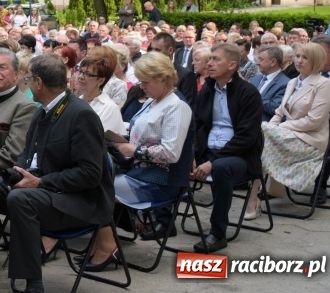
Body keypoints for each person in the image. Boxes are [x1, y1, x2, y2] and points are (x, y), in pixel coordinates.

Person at [0, 54, 113, 292]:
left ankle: (32, 283)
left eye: (28, 78)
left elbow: (90, 174)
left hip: (81, 201)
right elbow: (25, 155)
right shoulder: (42, 111)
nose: (25, 83)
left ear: (38, 82)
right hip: (46, 192)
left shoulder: (80, 114)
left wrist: (40, 182)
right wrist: (16, 174)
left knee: (21, 198)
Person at [90, 52, 194, 259]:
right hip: (141, 173)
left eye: (145, 82)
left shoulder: (177, 106)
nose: (141, 86)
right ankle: (105, 243)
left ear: (163, 79)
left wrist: (133, 150)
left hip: (163, 182)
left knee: (97, 189)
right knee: (93, 183)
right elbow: (144, 131)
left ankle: (107, 246)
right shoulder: (155, 101)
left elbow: (171, 153)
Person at [192, 44, 263, 253]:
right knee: (175, 158)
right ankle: (162, 221)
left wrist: (211, 162)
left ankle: (218, 233)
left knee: (221, 168)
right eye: (209, 58)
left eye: (216, 59)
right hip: (209, 150)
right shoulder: (207, 88)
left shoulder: (248, 93)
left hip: (238, 155)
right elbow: (197, 124)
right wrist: (193, 155)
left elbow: (246, 138)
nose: (209, 63)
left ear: (232, 65)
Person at [247, 43, 330, 218]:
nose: (299, 61)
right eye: (297, 56)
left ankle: (252, 198)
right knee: (260, 135)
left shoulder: (323, 84)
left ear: (315, 61)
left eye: (305, 57)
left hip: (310, 140)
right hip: (289, 135)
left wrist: (278, 127)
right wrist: (273, 125)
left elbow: (314, 121)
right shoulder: (293, 82)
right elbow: (280, 111)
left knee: (260, 136)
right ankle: (253, 197)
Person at [75, 55, 126, 136]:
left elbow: (97, 139)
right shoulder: (76, 101)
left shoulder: (109, 108)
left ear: (101, 81)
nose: (81, 76)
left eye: (87, 74)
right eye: (80, 71)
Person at [249, 46, 290, 122]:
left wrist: (253, 96)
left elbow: (275, 108)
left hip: (264, 126)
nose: (257, 63)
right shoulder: (256, 79)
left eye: (261, 59)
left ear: (273, 62)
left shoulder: (286, 83)